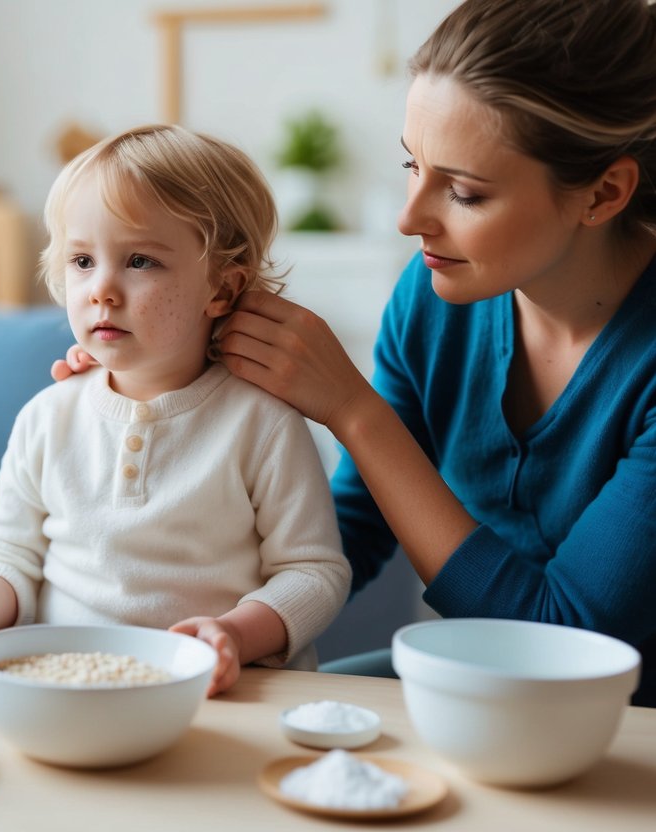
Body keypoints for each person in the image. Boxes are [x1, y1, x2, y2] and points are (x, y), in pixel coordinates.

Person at [57, 0, 656, 707]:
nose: (409, 218)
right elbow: (352, 530)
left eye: (463, 191)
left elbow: (558, 638)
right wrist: (164, 394)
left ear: (604, 193)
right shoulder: (434, 293)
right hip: (475, 689)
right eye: (412, 165)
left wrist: (351, 410)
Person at [0, 125, 351, 697]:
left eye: (140, 260)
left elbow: (314, 574)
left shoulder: (262, 422)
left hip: (220, 695)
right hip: (66, 686)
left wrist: (236, 635)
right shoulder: (48, 417)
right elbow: (9, 551)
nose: (101, 288)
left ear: (221, 289)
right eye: (81, 260)